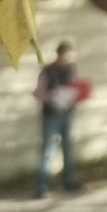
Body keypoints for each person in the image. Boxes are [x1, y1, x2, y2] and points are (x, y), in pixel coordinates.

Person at [33, 41, 81, 198]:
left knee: (68, 148)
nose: (66, 59)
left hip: (66, 113)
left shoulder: (70, 69)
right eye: (65, 56)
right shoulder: (47, 71)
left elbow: (75, 87)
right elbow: (38, 93)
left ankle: (69, 181)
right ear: (59, 54)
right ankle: (41, 185)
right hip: (51, 115)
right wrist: (50, 97)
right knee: (47, 150)